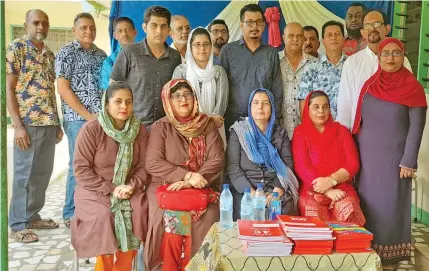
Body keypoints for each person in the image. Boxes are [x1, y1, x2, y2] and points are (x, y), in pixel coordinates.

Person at [352, 38, 427, 270]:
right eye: (385, 53)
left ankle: (389, 262)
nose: (390, 58)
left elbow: (416, 128)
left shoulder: (412, 87)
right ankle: (367, 257)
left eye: (395, 53)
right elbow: (359, 123)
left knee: (390, 209)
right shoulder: (369, 84)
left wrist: (409, 161)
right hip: (367, 162)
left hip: (395, 163)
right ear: (379, 57)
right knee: (368, 207)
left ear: (403, 56)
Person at [144, 79, 224, 271]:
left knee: (208, 214)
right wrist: (186, 176)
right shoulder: (160, 127)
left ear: (194, 97)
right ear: (168, 101)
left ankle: (197, 267)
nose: (183, 100)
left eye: (187, 94)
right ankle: (170, 267)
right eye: (176, 96)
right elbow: (153, 162)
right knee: (173, 219)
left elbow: (217, 159)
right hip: (167, 187)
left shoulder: (207, 125)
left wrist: (193, 180)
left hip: (201, 187)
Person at [71, 82, 148, 271]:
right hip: (94, 191)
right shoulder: (92, 129)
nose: (124, 107)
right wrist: (113, 189)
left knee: (138, 213)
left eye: (128, 102)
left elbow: (144, 167)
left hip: (129, 189)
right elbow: (81, 170)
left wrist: (130, 186)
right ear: (107, 104)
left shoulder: (140, 131)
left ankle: (123, 268)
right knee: (104, 217)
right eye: (118, 101)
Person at [6, 9, 63, 243]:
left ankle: (32, 216)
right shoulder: (16, 48)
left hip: (49, 123)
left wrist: (57, 122)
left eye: (45, 23)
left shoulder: (49, 54)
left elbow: (51, 91)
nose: (41, 27)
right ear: (26, 24)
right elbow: (9, 89)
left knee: (41, 174)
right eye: (36, 22)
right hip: (27, 124)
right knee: (23, 175)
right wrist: (17, 126)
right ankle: (18, 224)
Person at [56, 12, 106, 228]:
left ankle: (90, 208)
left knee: (97, 166)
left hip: (100, 121)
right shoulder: (66, 53)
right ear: (75, 29)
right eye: (84, 27)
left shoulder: (101, 55)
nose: (89, 31)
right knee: (78, 165)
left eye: (92, 27)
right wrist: (87, 116)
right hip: (78, 119)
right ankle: (70, 212)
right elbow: (63, 88)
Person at [292, 91, 365, 225]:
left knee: (349, 209)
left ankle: (346, 246)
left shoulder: (341, 131)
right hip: (312, 190)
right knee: (313, 215)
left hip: (341, 188)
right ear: (307, 109)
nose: (321, 111)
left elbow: (353, 163)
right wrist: (327, 190)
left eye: (325, 106)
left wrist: (331, 181)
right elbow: (302, 166)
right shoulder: (300, 133)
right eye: (316, 107)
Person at [227, 89, 299, 220]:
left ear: (271, 108)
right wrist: (253, 194)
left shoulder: (280, 133)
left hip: (275, 188)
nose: (260, 107)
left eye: (265, 103)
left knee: (284, 210)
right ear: (250, 107)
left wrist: (277, 192)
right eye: (256, 103)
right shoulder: (239, 132)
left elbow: (287, 166)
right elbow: (233, 168)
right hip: (247, 190)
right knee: (246, 211)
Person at [337, 10, 413, 130]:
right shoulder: (352, 63)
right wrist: (344, 138)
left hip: (392, 131)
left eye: (377, 24)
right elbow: (345, 105)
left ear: (387, 28)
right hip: (360, 133)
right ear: (362, 32)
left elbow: (408, 99)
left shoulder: (402, 61)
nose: (372, 29)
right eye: (367, 25)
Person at [110, 6, 181, 127]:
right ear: (144, 27)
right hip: (133, 126)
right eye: (154, 25)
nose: (159, 31)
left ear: (169, 30)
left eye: (163, 26)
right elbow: (113, 86)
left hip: (165, 126)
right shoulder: (129, 52)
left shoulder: (175, 57)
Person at [220, 4, 283, 134]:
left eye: (258, 22)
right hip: (234, 120)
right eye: (249, 22)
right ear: (241, 25)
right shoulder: (228, 51)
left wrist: (274, 119)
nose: (254, 26)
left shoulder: (271, 53)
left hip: (263, 121)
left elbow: (277, 88)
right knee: (234, 155)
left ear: (263, 25)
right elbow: (221, 86)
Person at [172, 27, 229, 146]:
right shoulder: (181, 71)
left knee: (214, 160)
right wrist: (200, 122)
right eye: (197, 44)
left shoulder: (218, 72)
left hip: (214, 130)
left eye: (206, 44)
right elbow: (176, 103)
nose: (202, 48)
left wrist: (212, 120)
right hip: (187, 129)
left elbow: (221, 103)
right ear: (190, 47)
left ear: (211, 46)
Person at [298, 21, 347, 119]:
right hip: (320, 129)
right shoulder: (311, 67)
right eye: (329, 35)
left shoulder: (352, 65)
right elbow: (304, 102)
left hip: (347, 128)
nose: (333, 37)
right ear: (323, 41)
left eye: (337, 34)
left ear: (343, 39)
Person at [278, 22, 315, 139]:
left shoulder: (314, 63)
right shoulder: (274, 61)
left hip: (308, 132)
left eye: (299, 36)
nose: (295, 39)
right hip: (279, 131)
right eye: (291, 36)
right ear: (283, 38)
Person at [100, 17, 137, 90]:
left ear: (135, 32)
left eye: (127, 30)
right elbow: (108, 91)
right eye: (120, 31)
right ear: (115, 35)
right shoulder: (109, 62)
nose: (124, 34)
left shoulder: (145, 55)